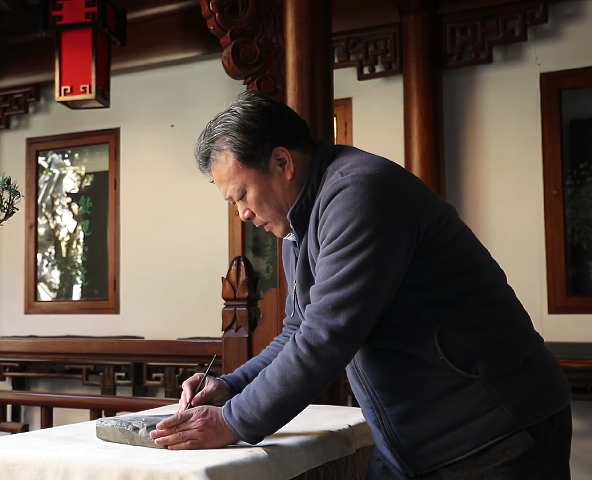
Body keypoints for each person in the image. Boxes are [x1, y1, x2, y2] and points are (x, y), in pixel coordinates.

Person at [148, 90, 573, 479]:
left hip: (492, 433)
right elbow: (298, 331)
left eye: (241, 195)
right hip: (412, 446)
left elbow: (325, 337)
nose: (242, 213)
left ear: (282, 162)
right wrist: (230, 386)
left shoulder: (359, 193)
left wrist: (231, 421)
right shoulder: (299, 225)